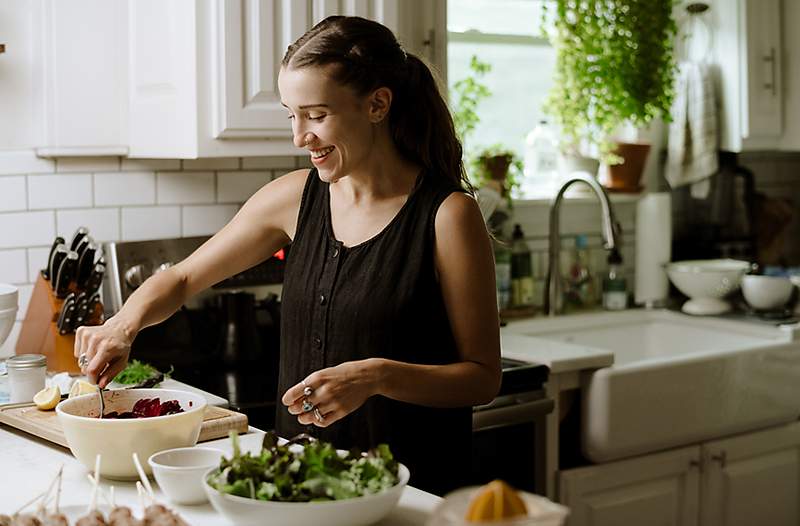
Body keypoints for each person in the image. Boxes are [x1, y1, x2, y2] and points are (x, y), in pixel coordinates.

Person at [74, 15, 501, 495]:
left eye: (317, 115)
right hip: (295, 488)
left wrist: (377, 376)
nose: (299, 137)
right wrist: (121, 326)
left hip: (409, 495)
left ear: (378, 104)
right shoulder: (294, 198)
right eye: (290, 114)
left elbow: (482, 378)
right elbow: (183, 278)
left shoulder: (447, 216)